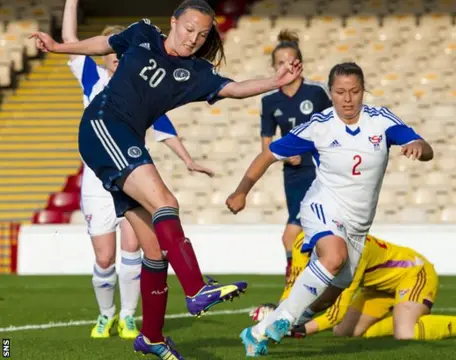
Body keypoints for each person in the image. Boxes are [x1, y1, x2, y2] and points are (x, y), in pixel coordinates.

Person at [30, 0, 303, 357]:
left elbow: (233, 88)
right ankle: (194, 288)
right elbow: (104, 44)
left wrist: (274, 81)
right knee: (167, 203)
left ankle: (152, 337)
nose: (193, 39)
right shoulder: (143, 33)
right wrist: (60, 47)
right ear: (173, 22)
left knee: (154, 249)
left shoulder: (195, 72)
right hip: (102, 125)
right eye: (189, 29)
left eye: (202, 34)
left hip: (125, 138)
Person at [226, 62, 434, 356]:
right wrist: (241, 191)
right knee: (333, 256)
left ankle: (258, 332)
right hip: (322, 206)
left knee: (324, 300)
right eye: (340, 92)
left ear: (364, 91)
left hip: (358, 226)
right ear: (330, 93)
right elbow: (268, 155)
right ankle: (284, 319)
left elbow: (423, 145)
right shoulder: (318, 126)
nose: (347, 99)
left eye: (354, 91)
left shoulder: (381, 120)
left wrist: (418, 147)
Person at [62, 0, 214, 340]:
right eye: (112, 51)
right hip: (98, 174)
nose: (117, 56)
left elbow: (163, 126)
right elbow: (70, 40)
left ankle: (131, 318)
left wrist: (187, 159)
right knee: (105, 257)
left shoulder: (145, 83)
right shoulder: (93, 76)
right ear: (105, 56)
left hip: (130, 170)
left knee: (138, 248)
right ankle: (106, 315)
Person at [252, 232, 456, 342]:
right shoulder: (299, 244)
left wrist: (298, 329)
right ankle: (399, 317)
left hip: (414, 273)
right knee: (344, 332)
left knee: (406, 333)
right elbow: (294, 286)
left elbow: (335, 311)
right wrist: (281, 316)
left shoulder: (350, 251)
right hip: (378, 287)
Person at [260, 29, 332, 286]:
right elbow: (266, 144)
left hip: (318, 172)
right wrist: (282, 157)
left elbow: (335, 127)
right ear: (273, 66)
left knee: (292, 236)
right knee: (303, 237)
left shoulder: (316, 92)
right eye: (280, 63)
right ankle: (314, 285)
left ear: (299, 64)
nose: (286, 67)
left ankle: (296, 288)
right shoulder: (269, 100)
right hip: (292, 175)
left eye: (291, 62)